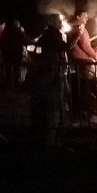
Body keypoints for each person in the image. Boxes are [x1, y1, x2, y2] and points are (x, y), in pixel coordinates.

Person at [29, 14, 70, 145]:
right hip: (51, 73)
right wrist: (75, 37)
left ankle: (57, 129)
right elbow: (65, 47)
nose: (61, 22)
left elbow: (36, 51)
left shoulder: (46, 35)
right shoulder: (53, 34)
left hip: (48, 72)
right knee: (54, 104)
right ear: (54, 23)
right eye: (59, 21)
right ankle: (51, 137)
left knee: (60, 97)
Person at [66, 10, 97, 119]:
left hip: (74, 61)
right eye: (84, 16)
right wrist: (95, 56)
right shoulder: (80, 28)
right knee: (86, 86)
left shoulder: (69, 27)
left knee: (76, 86)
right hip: (83, 61)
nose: (87, 18)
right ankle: (86, 110)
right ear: (78, 17)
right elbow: (86, 46)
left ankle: (76, 110)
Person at [0, 19, 29, 88]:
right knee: (16, 69)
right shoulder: (17, 31)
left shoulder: (4, 32)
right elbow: (24, 40)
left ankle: (9, 85)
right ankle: (15, 85)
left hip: (7, 54)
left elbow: (1, 43)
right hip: (16, 53)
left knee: (8, 69)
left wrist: (3, 52)